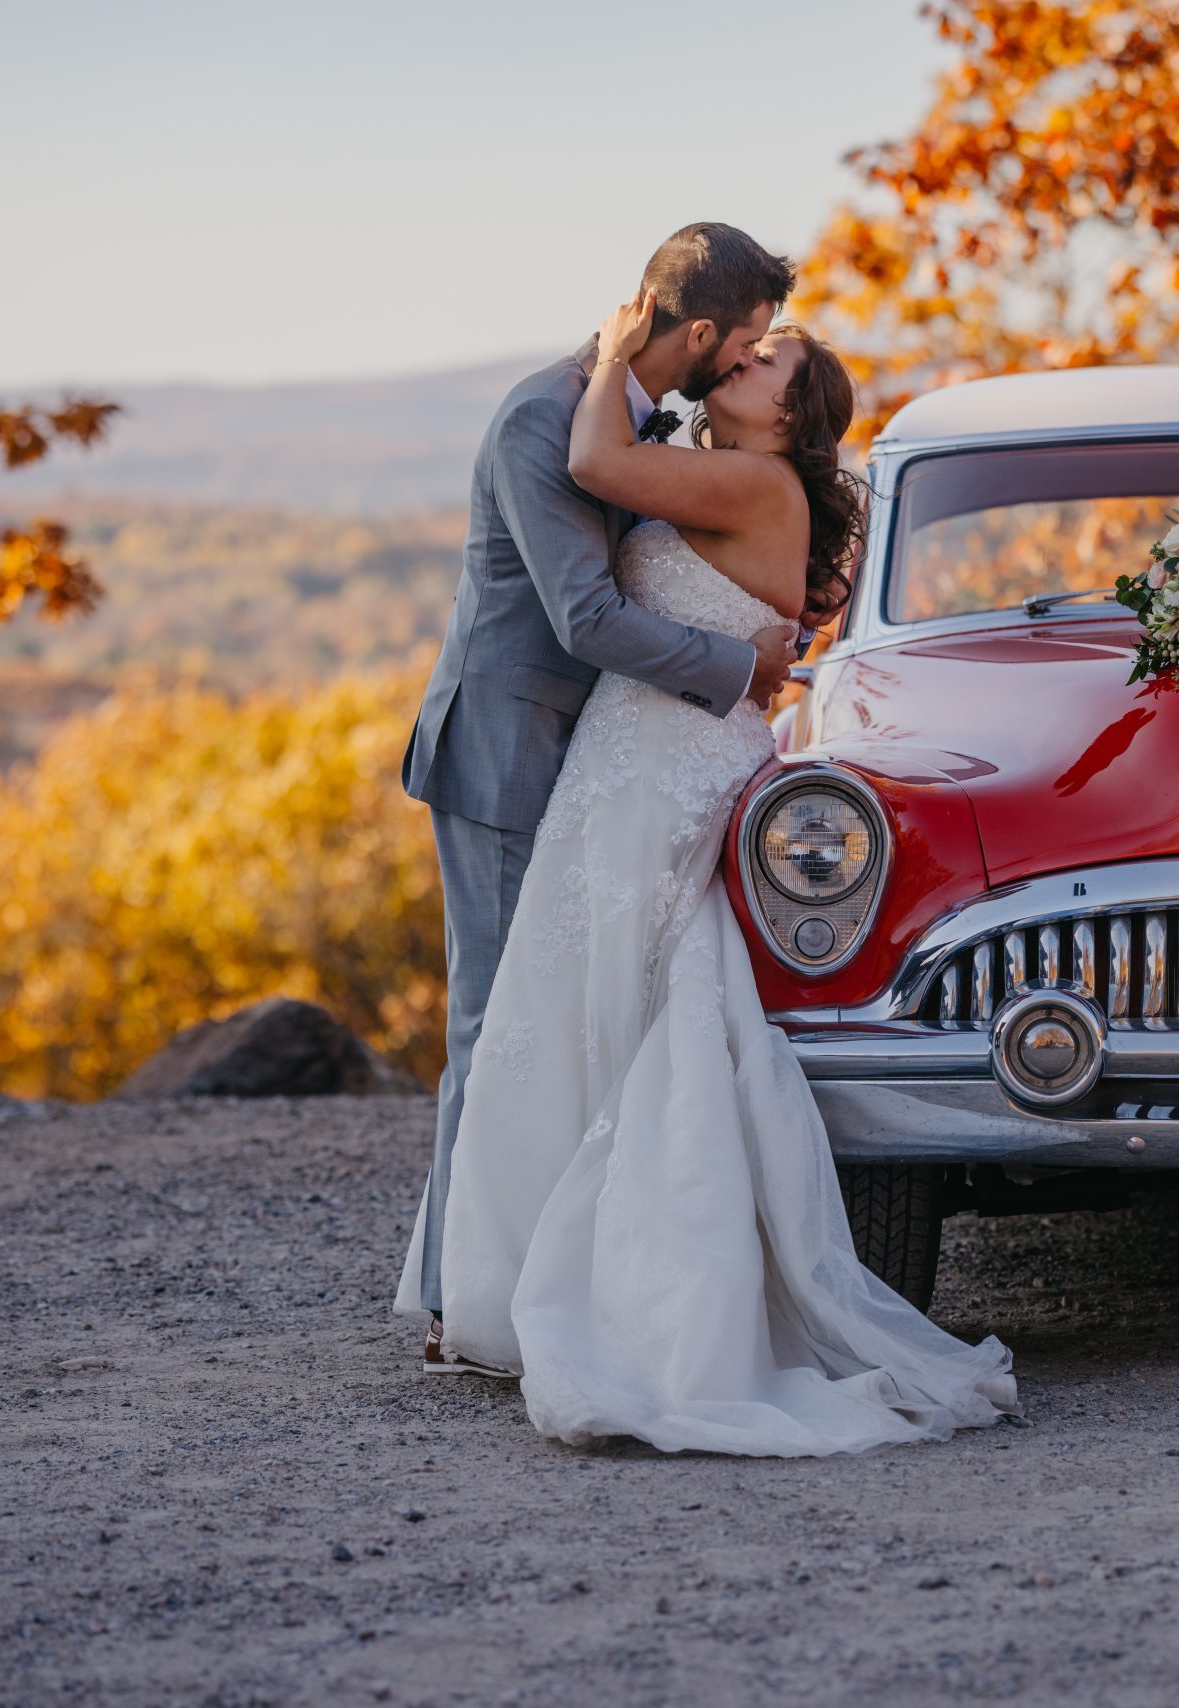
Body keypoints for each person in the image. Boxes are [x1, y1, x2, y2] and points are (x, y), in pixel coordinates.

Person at [413, 283, 1017, 1455]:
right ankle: (519, 1276)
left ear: (785, 422)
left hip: (665, 757)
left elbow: (594, 459)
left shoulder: (747, 481)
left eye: (761, 364)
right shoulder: (734, 472)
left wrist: (607, 351)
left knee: (605, 1003)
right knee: (598, 1001)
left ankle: (582, 1288)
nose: (739, 364)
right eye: (744, 346)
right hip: (641, 751)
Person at [395, 224, 801, 1364]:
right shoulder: (546, 417)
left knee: (558, 1009)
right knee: (494, 1014)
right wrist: (739, 667)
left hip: (598, 757)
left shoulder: (642, 423)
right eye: (752, 339)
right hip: (506, 745)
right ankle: (451, 1299)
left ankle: (552, 1269)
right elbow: (584, 618)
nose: (748, 359)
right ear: (708, 329)